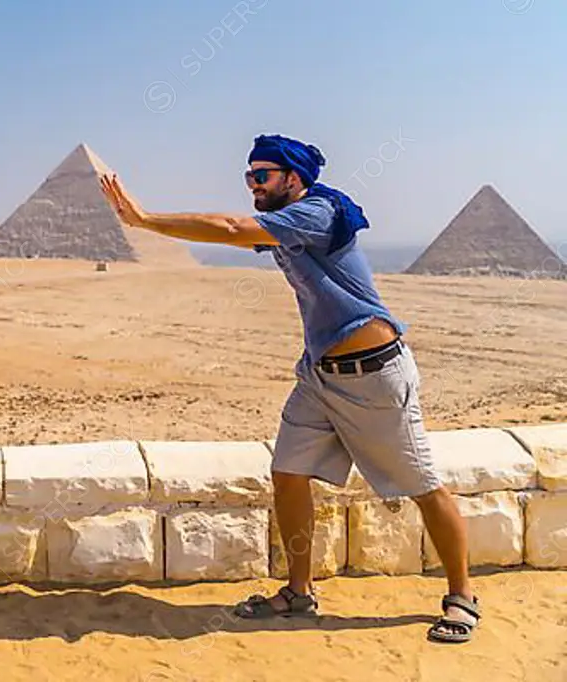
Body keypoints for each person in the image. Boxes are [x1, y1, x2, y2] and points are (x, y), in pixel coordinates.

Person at [97, 134, 480, 644]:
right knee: (288, 473)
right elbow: (235, 232)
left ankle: (462, 597)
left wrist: (144, 220)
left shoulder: (316, 213)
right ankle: (299, 592)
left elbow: (231, 228)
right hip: (319, 375)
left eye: (262, 176)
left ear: (294, 180)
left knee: (423, 486)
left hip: (374, 377)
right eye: (248, 176)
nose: (251, 185)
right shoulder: (284, 223)